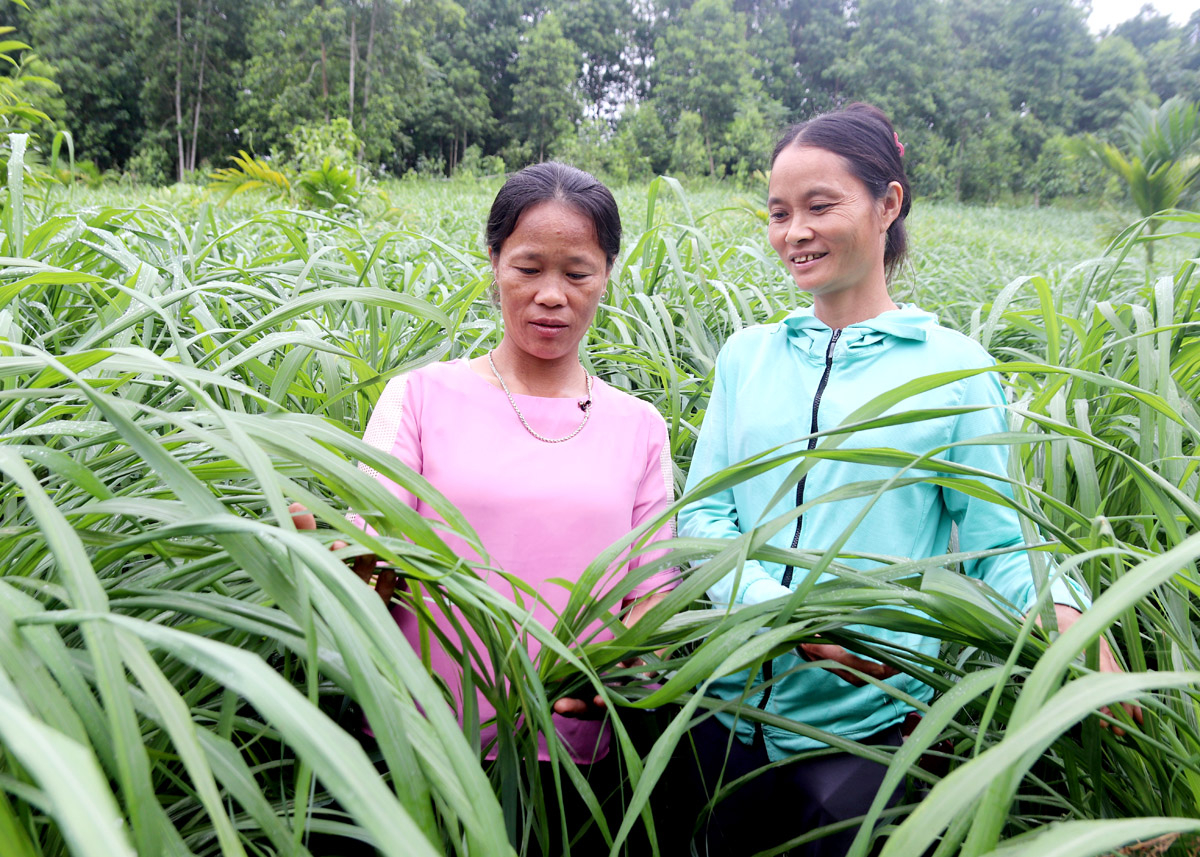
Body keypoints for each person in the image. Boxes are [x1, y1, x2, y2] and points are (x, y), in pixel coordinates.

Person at [675, 103, 1134, 856]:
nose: (795, 232)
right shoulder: (746, 356)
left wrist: (1065, 618)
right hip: (720, 715)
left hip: (867, 735)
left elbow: (1000, 544)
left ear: (888, 204)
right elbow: (704, 518)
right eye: (779, 212)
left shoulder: (954, 370)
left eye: (821, 206)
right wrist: (788, 611)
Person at [296, 162, 676, 855]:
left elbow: (650, 596)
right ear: (494, 259)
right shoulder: (419, 397)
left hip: (572, 761)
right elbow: (370, 557)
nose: (551, 296)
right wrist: (324, 555)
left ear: (609, 274)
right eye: (528, 267)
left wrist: (624, 673)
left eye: (578, 272)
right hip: (419, 742)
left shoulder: (640, 426)